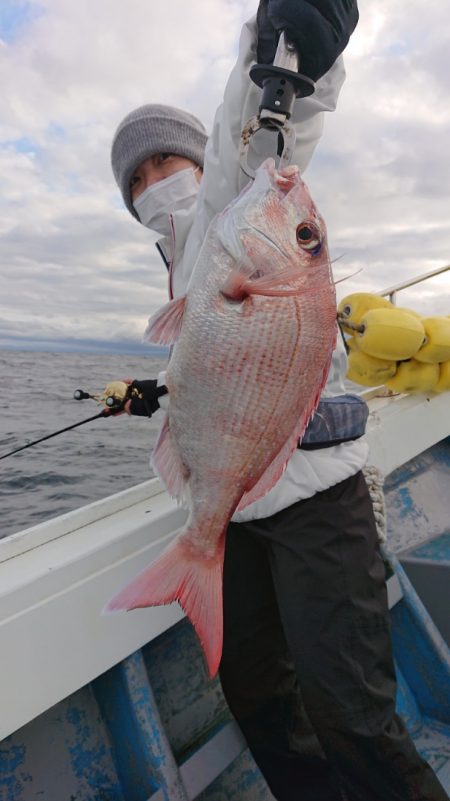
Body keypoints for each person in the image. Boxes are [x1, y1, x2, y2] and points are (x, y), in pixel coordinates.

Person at [109, 3, 449, 800]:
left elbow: (261, 125)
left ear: (199, 160)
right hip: (235, 514)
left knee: (351, 712)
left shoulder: (238, 204)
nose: (158, 185)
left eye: (166, 163)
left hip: (317, 495)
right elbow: (224, 374)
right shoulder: (188, 261)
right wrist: (156, 393)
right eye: (138, 180)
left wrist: (295, 52)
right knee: (258, 697)